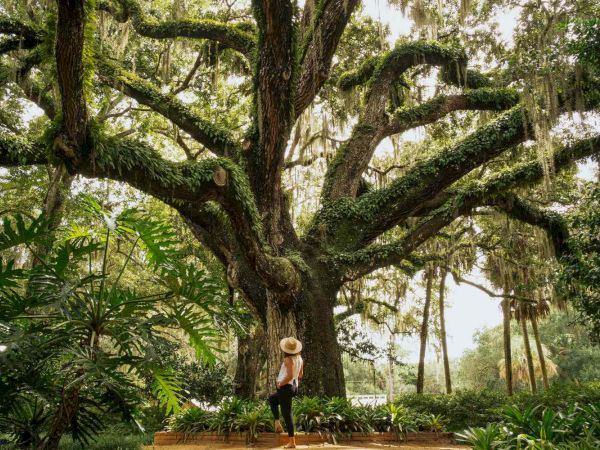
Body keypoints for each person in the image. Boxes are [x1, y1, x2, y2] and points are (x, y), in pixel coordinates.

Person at [268, 336, 304, 449]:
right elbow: (300, 375)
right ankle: (277, 423)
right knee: (272, 399)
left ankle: (292, 442)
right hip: (293, 387)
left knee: (287, 414)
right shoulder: (299, 358)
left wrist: (280, 384)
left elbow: (288, 376)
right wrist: (293, 383)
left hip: (285, 388)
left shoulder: (288, 359)